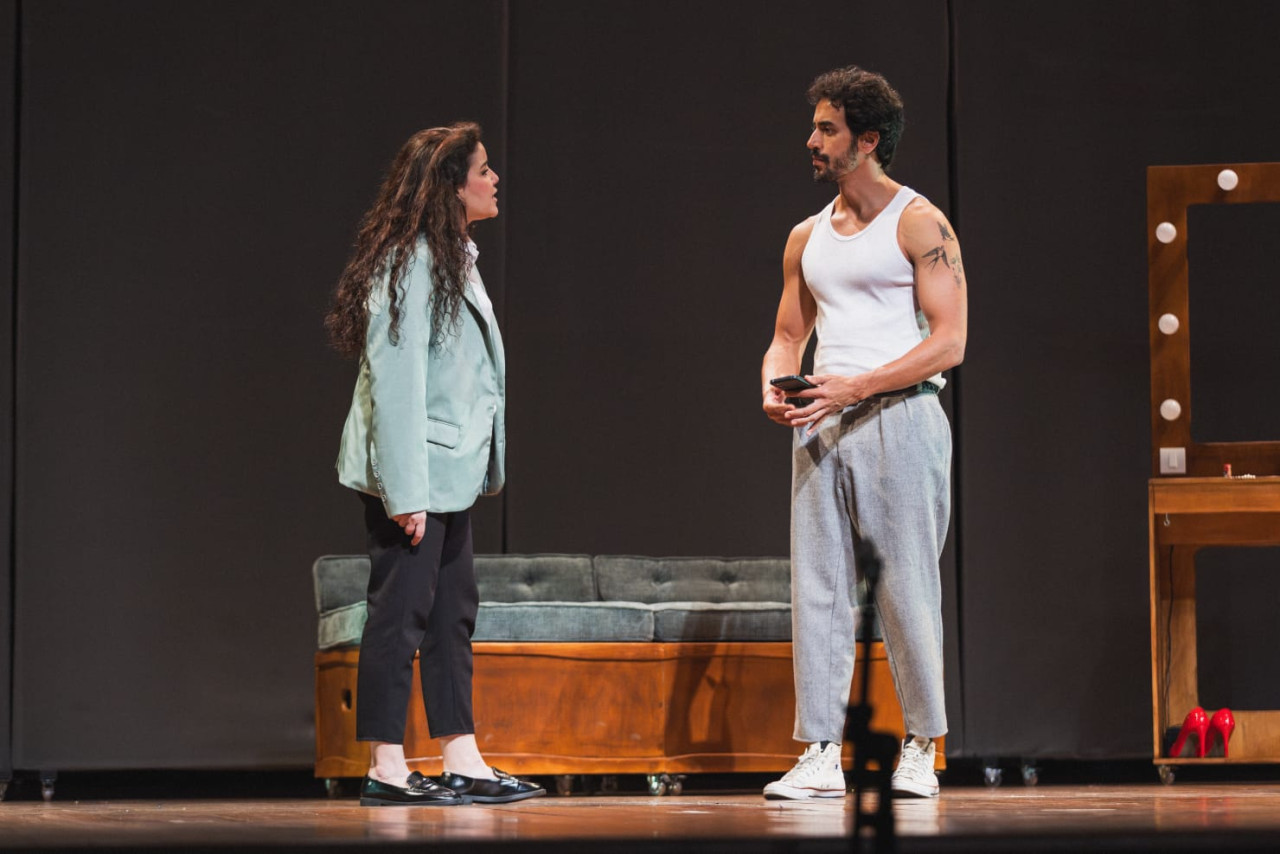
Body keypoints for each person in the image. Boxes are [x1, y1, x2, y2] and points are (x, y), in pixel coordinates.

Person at [759, 66, 967, 800]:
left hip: (901, 416)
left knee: (906, 585)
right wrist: (774, 383)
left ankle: (922, 745)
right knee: (817, 588)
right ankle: (820, 751)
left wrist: (859, 384)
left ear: (868, 140)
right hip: (821, 420)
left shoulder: (920, 222)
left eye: (828, 129)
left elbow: (949, 341)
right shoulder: (805, 236)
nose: (812, 140)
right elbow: (788, 337)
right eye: (815, 127)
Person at [327, 123, 543, 807]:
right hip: (415, 474)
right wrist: (405, 491)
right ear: (452, 186)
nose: (495, 179)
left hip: (448, 472)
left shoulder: (450, 256)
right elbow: (395, 381)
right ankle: (386, 765)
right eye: (483, 170)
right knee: (401, 614)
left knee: (452, 614)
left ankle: (462, 756)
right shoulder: (411, 261)